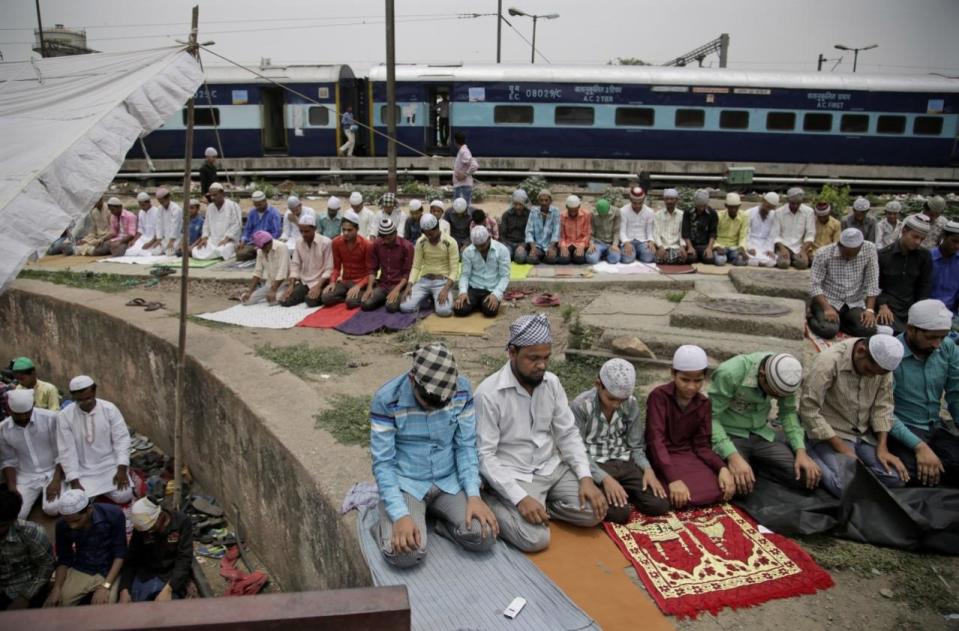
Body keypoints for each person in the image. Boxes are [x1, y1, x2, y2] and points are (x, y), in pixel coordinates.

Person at [475, 314, 607, 551]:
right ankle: (493, 500)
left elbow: (567, 434)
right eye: (533, 358)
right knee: (535, 539)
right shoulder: (488, 394)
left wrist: (585, 478)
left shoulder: (552, 383)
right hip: (515, 474)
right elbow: (485, 455)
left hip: (551, 467)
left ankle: (542, 506)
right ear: (512, 352)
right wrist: (520, 498)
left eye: (546, 357)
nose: (542, 365)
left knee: (595, 510)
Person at [370, 343, 497, 567]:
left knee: (485, 535)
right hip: (408, 484)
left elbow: (465, 446)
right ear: (412, 380)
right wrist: (400, 515)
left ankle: (437, 523)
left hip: (448, 480)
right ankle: (389, 523)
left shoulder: (463, 389)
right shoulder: (387, 399)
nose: (435, 409)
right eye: (429, 402)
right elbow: (383, 463)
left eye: (442, 403)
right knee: (405, 554)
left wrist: (474, 495)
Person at [801, 335, 909, 496]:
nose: (871, 377)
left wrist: (882, 447)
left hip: (863, 436)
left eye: (876, 374)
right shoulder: (828, 362)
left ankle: (858, 478)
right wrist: (844, 450)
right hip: (831, 434)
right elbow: (809, 409)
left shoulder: (882, 367)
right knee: (842, 487)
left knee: (896, 478)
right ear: (860, 351)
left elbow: (883, 406)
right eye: (868, 371)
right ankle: (806, 451)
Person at [571, 359, 670, 523]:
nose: (617, 405)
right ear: (598, 384)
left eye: (621, 400)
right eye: (611, 399)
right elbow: (577, 451)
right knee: (620, 514)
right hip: (596, 464)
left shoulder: (630, 403)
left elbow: (636, 446)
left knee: (659, 504)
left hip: (624, 461)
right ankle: (615, 491)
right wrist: (604, 478)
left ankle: (622, 491)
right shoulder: (580, 406)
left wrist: (647, 469)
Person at [708, 352, 820, 496]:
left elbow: (788, 412)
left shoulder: (787, 374)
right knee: (739, 487)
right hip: (729, 435)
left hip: (760, 434)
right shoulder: (730, 373)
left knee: (805, 477)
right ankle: (747, 466)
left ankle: (755, 466)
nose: (777, 398)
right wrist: (732, 456)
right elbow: (710, 418)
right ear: (762, 375)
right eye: (774, 394)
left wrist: (801, 451)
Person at [646, 346, 735, 508]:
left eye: (698, 380)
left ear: (704, 378)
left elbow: (702, 446)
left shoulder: (703, 403)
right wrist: (673, 478)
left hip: (688, 456)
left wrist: (722, 468)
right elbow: (655, 441)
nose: (691, 387)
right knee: (673, 495)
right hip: (662, 458)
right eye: (685, 380)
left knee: (721, 487)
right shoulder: (659, 397)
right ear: (673, 374)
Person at [886, 299, 959, 487]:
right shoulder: (891, 354)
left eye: (942, 337)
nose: (937, 344)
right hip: (902, 429)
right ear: (911, 329)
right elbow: (883, 412)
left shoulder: (947, 348)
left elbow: (956, 393)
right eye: (931, 338)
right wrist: (919, 447)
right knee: (910, 475)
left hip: (935, 427)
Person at [56, 376, 133, 504]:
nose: (85, 403)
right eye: (80, 400)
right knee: (77, 502)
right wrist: (74, 480)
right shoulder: (65, 416)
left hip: (109, 465)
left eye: (88, 398)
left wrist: (122, 469)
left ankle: (97, 496)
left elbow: (122, 439)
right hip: (83, 469)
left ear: (94, 391)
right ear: (73, 397)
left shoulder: (109, 409)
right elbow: (67, 450)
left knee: (124, 496)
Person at [45, 489, 125, 607]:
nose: (72, 526)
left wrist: (106, 586)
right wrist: (56, 588)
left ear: (89, 510)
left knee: (107, 608)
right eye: (68, 521)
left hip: (109, 569)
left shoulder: (113, 514)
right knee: (56, 603)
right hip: (83, 568)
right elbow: (64, 558)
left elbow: (120, 553)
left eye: (77, 521)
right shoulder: (62, 525)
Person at [1, 389, 64, 519]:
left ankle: (55, 490)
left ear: (33, 405)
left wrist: (56, 480)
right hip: (26, 476)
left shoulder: (51, 419)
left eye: (27, 413)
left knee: (52, 509)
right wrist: (12, 488)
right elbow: (8, 460)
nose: (23, 418)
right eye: (18, 415)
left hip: (53, 470)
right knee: (16, 515)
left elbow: (63, 451)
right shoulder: (3, 429)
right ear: (10, 411)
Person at [807, 228, 879, 339]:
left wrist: (869, 310)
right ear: (839, 245)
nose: (850, 258)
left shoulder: (869, 249)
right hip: (828, 301)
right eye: (846, 254)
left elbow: (872, 281)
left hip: (854, 303)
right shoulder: (823, 253)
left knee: (870, 329)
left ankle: (839, 324)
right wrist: (827, 308)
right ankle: (811, 317)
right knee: (828, 330)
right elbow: (814, 285)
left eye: (854, 254)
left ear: (860, 246)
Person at [117, 498, 193, 602]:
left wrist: (169, 589)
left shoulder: (182, 522)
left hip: (169, 577)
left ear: (160, 516)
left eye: (151, 527)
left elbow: (184, 559)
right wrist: (124, 589)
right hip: (145, 575)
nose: (148, 531)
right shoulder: (141, 528)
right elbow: (131, 559)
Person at [876, 214, 932, 334]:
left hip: (911, 307)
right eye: (915, 237)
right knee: (889, 332)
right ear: (904, 231)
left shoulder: (924, 256)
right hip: (888, 307)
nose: (918, 242)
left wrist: (920, 310)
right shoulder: (883, 255)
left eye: (922, 239)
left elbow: (924, 286)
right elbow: (875, 286)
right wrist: (882, 305)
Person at [0, 488, 55, 610]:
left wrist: (25, 597)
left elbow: (46, 565)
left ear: (13, 520)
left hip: (25, 586)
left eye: (1, 525)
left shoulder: (31, 533)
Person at [400, 214, 459, 317]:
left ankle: (438, 297)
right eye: (426, 235)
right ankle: (430, 298)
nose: (429, 237)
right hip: (424, 281)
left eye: (431, 234)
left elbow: (454, 270)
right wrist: (409, 286)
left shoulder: (450, 242)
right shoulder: (421, 242)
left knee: (444, 312)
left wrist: (445, 289)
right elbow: (416, 266)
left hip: (442, 282)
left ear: (437, 228)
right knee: (404, 307)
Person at [454, 226, 510, 318]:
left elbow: (505, 276)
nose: (480, 249)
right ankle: (478, 303)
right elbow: (465, 275)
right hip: (474, 289)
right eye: (477, 246)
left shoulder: (502, 250)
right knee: (459, 310)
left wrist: (496, 295)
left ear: (489, 238)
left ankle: (480, 304)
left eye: (482, 245)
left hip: (491, 289)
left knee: (490, 311)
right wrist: (463, 292)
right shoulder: (468, 252)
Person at [280, 212, 333, 308]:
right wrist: (291, 285)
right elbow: (295, 264)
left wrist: (318, 287)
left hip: (321, 281)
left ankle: (311, 294)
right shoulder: (299, 242)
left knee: (310, 301)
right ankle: (304, 293)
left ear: (314, 229)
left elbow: (329, 269)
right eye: (301, 231)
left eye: (307, 231)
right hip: (305, 281)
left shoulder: (326, 242)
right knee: (284, 300)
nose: (304, 234)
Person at [362, 217, 413, 312]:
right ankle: (383, 298)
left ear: (395, 233)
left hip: (399, 284)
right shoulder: (376, 244)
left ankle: (390, 299)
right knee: (365, 304)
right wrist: (369, 288)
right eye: (383, 236)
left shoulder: (407, 246)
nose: (386, 240)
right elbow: (373, 269)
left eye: (389, 236)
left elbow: (407, 272)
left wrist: (397, 290)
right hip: (383, 284)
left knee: (391, 307)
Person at [322, 210, 372, 308]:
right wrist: (332, 282)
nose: (345, 233)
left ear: (357, 229)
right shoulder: (336, 242)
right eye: (343, 229)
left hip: (361, 281)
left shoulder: (367, 244)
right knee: (325, 298)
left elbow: (370, 272)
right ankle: (349, 296)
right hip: (345, 281)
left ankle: (353, 296)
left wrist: (359, 286)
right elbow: (336, 268)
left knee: (351, 302)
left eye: (349, 230)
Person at [191, 183, 241, 260]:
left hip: (228, 241)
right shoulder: (210, 207)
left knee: (222, 250)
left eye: (215, 195)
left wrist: (226, 239)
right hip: (213, 241)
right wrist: (204, 238)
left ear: (222, 194)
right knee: (195, 250)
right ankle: (213, 255)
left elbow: (237, 225)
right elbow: (206, 225)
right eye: (211, 195)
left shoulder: (233, 206)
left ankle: (215, 255)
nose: (212, 197)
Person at [240, 232, 289, 306]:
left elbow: (282, 271)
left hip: (285, 283)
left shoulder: (282, 247)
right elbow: (257, 272)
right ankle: (266, 294)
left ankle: (283, 293)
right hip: (270, 284)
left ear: (268, 244)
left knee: (274, 300)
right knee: (247, 301)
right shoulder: (260, 251)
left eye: (262, 247)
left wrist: (273, 290)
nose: (261, 249)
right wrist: (250, 292)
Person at [774, 187, 815, 270]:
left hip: (799, 247)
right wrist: (782, 249)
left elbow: (810, 235)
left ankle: (793, 259)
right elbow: (775, 234)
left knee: (802, 264)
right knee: (783, 264)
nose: (795, 206)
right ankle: (789, 259)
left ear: (801, 202)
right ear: (788, 201)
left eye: (798, 203)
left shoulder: (809, 212)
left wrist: (803, 250)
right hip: (783, 245)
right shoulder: (779, 212)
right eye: (793, 203)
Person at [236, 191, 282, 262]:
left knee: (266, 252)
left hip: (267, 244)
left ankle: (260, 254)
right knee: (239, 253)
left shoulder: (274, 213)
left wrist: (262, 244)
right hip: (253, 243)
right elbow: (247, 229)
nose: (258, 207)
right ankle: (258, 255)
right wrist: (243, 240)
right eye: (256, 205)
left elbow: (276, 233)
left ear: (265, 201)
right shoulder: (252, 212)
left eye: (260, 205)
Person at [619, 186, 656, 264]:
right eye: (634, 203)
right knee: (627, 259)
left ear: (643, 200)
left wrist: (651, 242)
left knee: (649, 257)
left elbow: (650, 231)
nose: (637, 205)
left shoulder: (650, 212)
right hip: (628, 240)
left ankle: (637, 253)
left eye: (640, 203)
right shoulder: (623, 211)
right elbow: (622, 231)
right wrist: (626, 243)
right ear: (630, 200)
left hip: (643, 241)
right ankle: (634, 254)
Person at [681, 189, 719, 264]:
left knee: (709, 259)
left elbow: (713, 233)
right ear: (695, 203)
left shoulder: (712, 213)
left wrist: (709, 248)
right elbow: (685, 232)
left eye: (704, 205)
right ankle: (697, 256)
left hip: (704, 244)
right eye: (699, 205)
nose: (701, 208)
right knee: (690, 259)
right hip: (692, 244)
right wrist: (690, 247)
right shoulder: (688, 212)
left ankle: (701, 255)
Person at [525, 189, 561, 265]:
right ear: (538, 201)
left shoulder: (555, 211)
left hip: (550, 244)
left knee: (552, 259)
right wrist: (533, 247)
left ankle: (544, 257)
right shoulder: (534, 211)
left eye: (546, 200)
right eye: (541, 200)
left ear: (550, 201)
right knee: (531, 259)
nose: (544, 203)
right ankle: (541, 256)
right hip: (537, 245)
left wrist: (551, 247)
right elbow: (529, 231)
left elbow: (556, 232)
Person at [745, 192, 781, 267]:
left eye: (771, 208)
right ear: (763, 201)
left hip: (764, 246)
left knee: (771, 262)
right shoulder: (749, 213)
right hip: (751, 243)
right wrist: (749, 247)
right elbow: (746, 233)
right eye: (767, 207)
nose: (768, 210)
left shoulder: (774, 216)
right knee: (751, 260)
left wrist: (770, 250)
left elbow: (772, 235)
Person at [931, 220, 959, 314]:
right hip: (927, 312)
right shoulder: (928, 258)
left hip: (951, 313)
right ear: (944, 236)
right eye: (954, 241)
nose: (957, 246)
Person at [713, 192, 748, 266]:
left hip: (734, 247)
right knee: (720, 261)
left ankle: (731, 258)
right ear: (726, 206)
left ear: (739, 206)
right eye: (731, 207)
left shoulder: (744, 216)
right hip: (720, 246)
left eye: (736, 207)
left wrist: (742, 248)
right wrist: (716, 247)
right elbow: (712, 234)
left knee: (742, 261)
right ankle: (728, 258)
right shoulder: (719, 216)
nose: (733, 210)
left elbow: (743, 235)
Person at [557, 195, 591, 265]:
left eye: (575, 210)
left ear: (579, 206)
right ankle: (570, 256)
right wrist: (563, 246)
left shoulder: (586, 214)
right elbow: (561, 234)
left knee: (579, 260)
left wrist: (582, 246)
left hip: (580, 243)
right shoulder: (562, 216)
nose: (573, 213)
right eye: (570, 210)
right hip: (567, 243)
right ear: (566, 207)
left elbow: (587, 233)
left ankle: (573, 255)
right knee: (563, 260)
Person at [654, 188, 686, 264]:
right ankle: (670, 258)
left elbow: (683, 233)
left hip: (676, 247)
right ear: (664, 200)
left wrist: (682, 247)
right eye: (667, 199)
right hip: (663, 246)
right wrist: (660, 247)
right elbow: (656, 233)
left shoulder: (682, 214)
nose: (669, 201)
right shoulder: (658, 215)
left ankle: (669, 258)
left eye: (672, 199)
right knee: (658, 258)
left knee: (683, 257)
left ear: (677, 200)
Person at [124, 192, 161, 257]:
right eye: (140, 205)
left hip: (154, 239)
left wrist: (150, 243)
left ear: (149, 202)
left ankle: (144, 252)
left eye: (143, 205)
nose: (142, 207)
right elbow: (140, 230)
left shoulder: (157, 211)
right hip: (143, 239)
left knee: (155, 252)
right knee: (129, 252)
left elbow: (159, 231)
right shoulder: (141, 212)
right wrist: (134, 240)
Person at [586, 198, 622, 265]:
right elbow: (591, 232)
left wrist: (615, 244)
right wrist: (591, 243)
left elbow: (617, 231)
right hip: (598, 243)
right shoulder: (593, 214)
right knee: (591, 259)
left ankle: (605, 254)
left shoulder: (616, 212)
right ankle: (600, 253)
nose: (603, 216)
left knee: (614, 259)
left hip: (611, 243)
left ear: (609, 208)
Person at [499, 190, 532, 262]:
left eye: (520, 205)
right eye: (515, 204)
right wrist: (505, 245)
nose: (518, 207)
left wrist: (524, 245)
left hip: (522, 243)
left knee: (520, 258)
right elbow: (502, 234)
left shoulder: (529, 215)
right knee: (505, 257)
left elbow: (531, 234)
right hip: (508, 243)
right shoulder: (506, 215)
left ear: (524, 204)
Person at [153, 188, 183, 257]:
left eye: (163, 202)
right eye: (160, 202)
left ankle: (175, 249)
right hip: (165, 239)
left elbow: (175, 225)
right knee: (155, 251)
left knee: (169, 253)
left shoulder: (176, 209)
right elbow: (158, 224)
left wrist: (171, 241)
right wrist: (159, 239)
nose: (162, 204)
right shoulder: (160, 208)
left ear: (168, 198)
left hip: (176, 238)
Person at [452, 131, 479, 206]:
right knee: (461, 208)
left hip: (463, 186)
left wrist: (465, 174)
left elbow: (474, 165)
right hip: (461, 185)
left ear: (455, 141)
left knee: (462, 208)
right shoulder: (462, 151)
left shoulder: (464, 151)